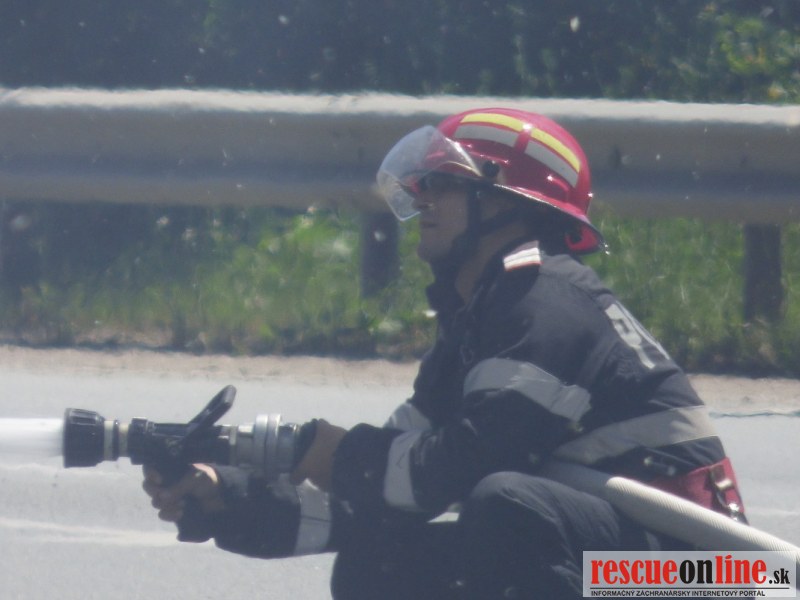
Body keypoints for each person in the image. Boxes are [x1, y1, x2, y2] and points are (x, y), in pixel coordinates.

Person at [143, 108, 747, 599]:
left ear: (509, 202)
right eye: (423, 181)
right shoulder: (482, 320)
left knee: (505, 507)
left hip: (704, 578)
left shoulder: (545, 305)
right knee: (376, 563)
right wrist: (227, 496)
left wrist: (338, 454)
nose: (422, 195)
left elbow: (457, 468)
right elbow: (379, 500)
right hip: (637, 567)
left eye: (446, 182)